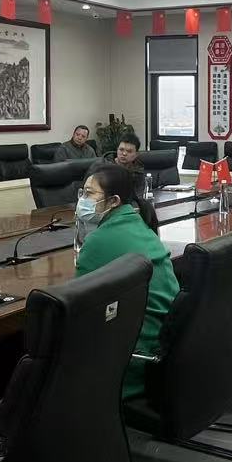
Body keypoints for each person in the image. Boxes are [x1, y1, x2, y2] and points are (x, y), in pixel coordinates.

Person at [74, 163, 178, 400]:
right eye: (82, 193)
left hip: (133, 359)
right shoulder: (140, 225)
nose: (82, 200)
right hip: (163, 348)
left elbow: (76, 312)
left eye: (89, 194)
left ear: (113, 201)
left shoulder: (99, 240)